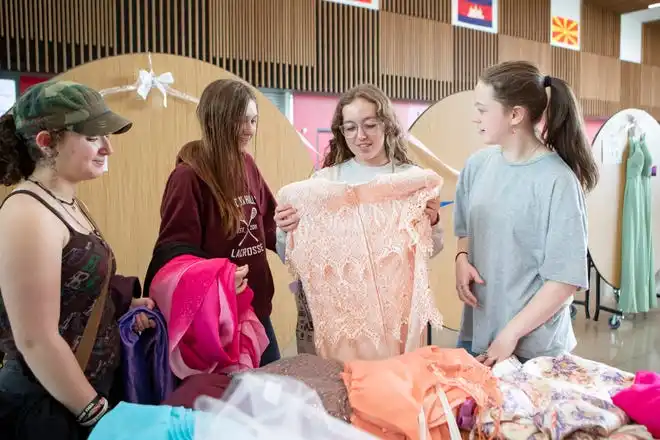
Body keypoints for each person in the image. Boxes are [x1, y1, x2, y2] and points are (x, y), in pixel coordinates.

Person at [0, 80, 155, 440]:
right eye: (92, 137)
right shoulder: (27, 212)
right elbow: (35, 339)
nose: (108, 148)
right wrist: (95, 413)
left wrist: (123, 303)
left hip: (82, 391)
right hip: (48, 407)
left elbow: (71, 284)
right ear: (46, 142)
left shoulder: (65, 202)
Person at [274, 84, 444, 354]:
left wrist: (431, 223)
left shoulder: (409, 180)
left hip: (398, 315)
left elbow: (430, 249)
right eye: (350, 127)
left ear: (386, 125)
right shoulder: (324, 183)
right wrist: (286, 229)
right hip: (346, 320)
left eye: (370, 125)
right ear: (342, 132)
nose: (360, 136)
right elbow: (291, 255)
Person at [454, 61, 598, 366]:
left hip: (533, 346)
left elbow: (564, 279)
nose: (473, 118)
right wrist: (461, 259)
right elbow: (465, 229)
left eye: (482, 110)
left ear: (515, 114)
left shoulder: (557, 181)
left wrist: (511, 334)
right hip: (478, 330)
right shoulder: (477, 165)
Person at [146, 78, 281, 366]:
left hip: (257, 307)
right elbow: (174, 253)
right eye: (240, 120)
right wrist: (219, 278)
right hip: (219, 315)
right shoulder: (188, 177)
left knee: (273, 395)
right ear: (215, 120)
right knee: (231, 403)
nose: (249, 129)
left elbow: (269, 222)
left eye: (253, 121)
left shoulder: (247, 164)